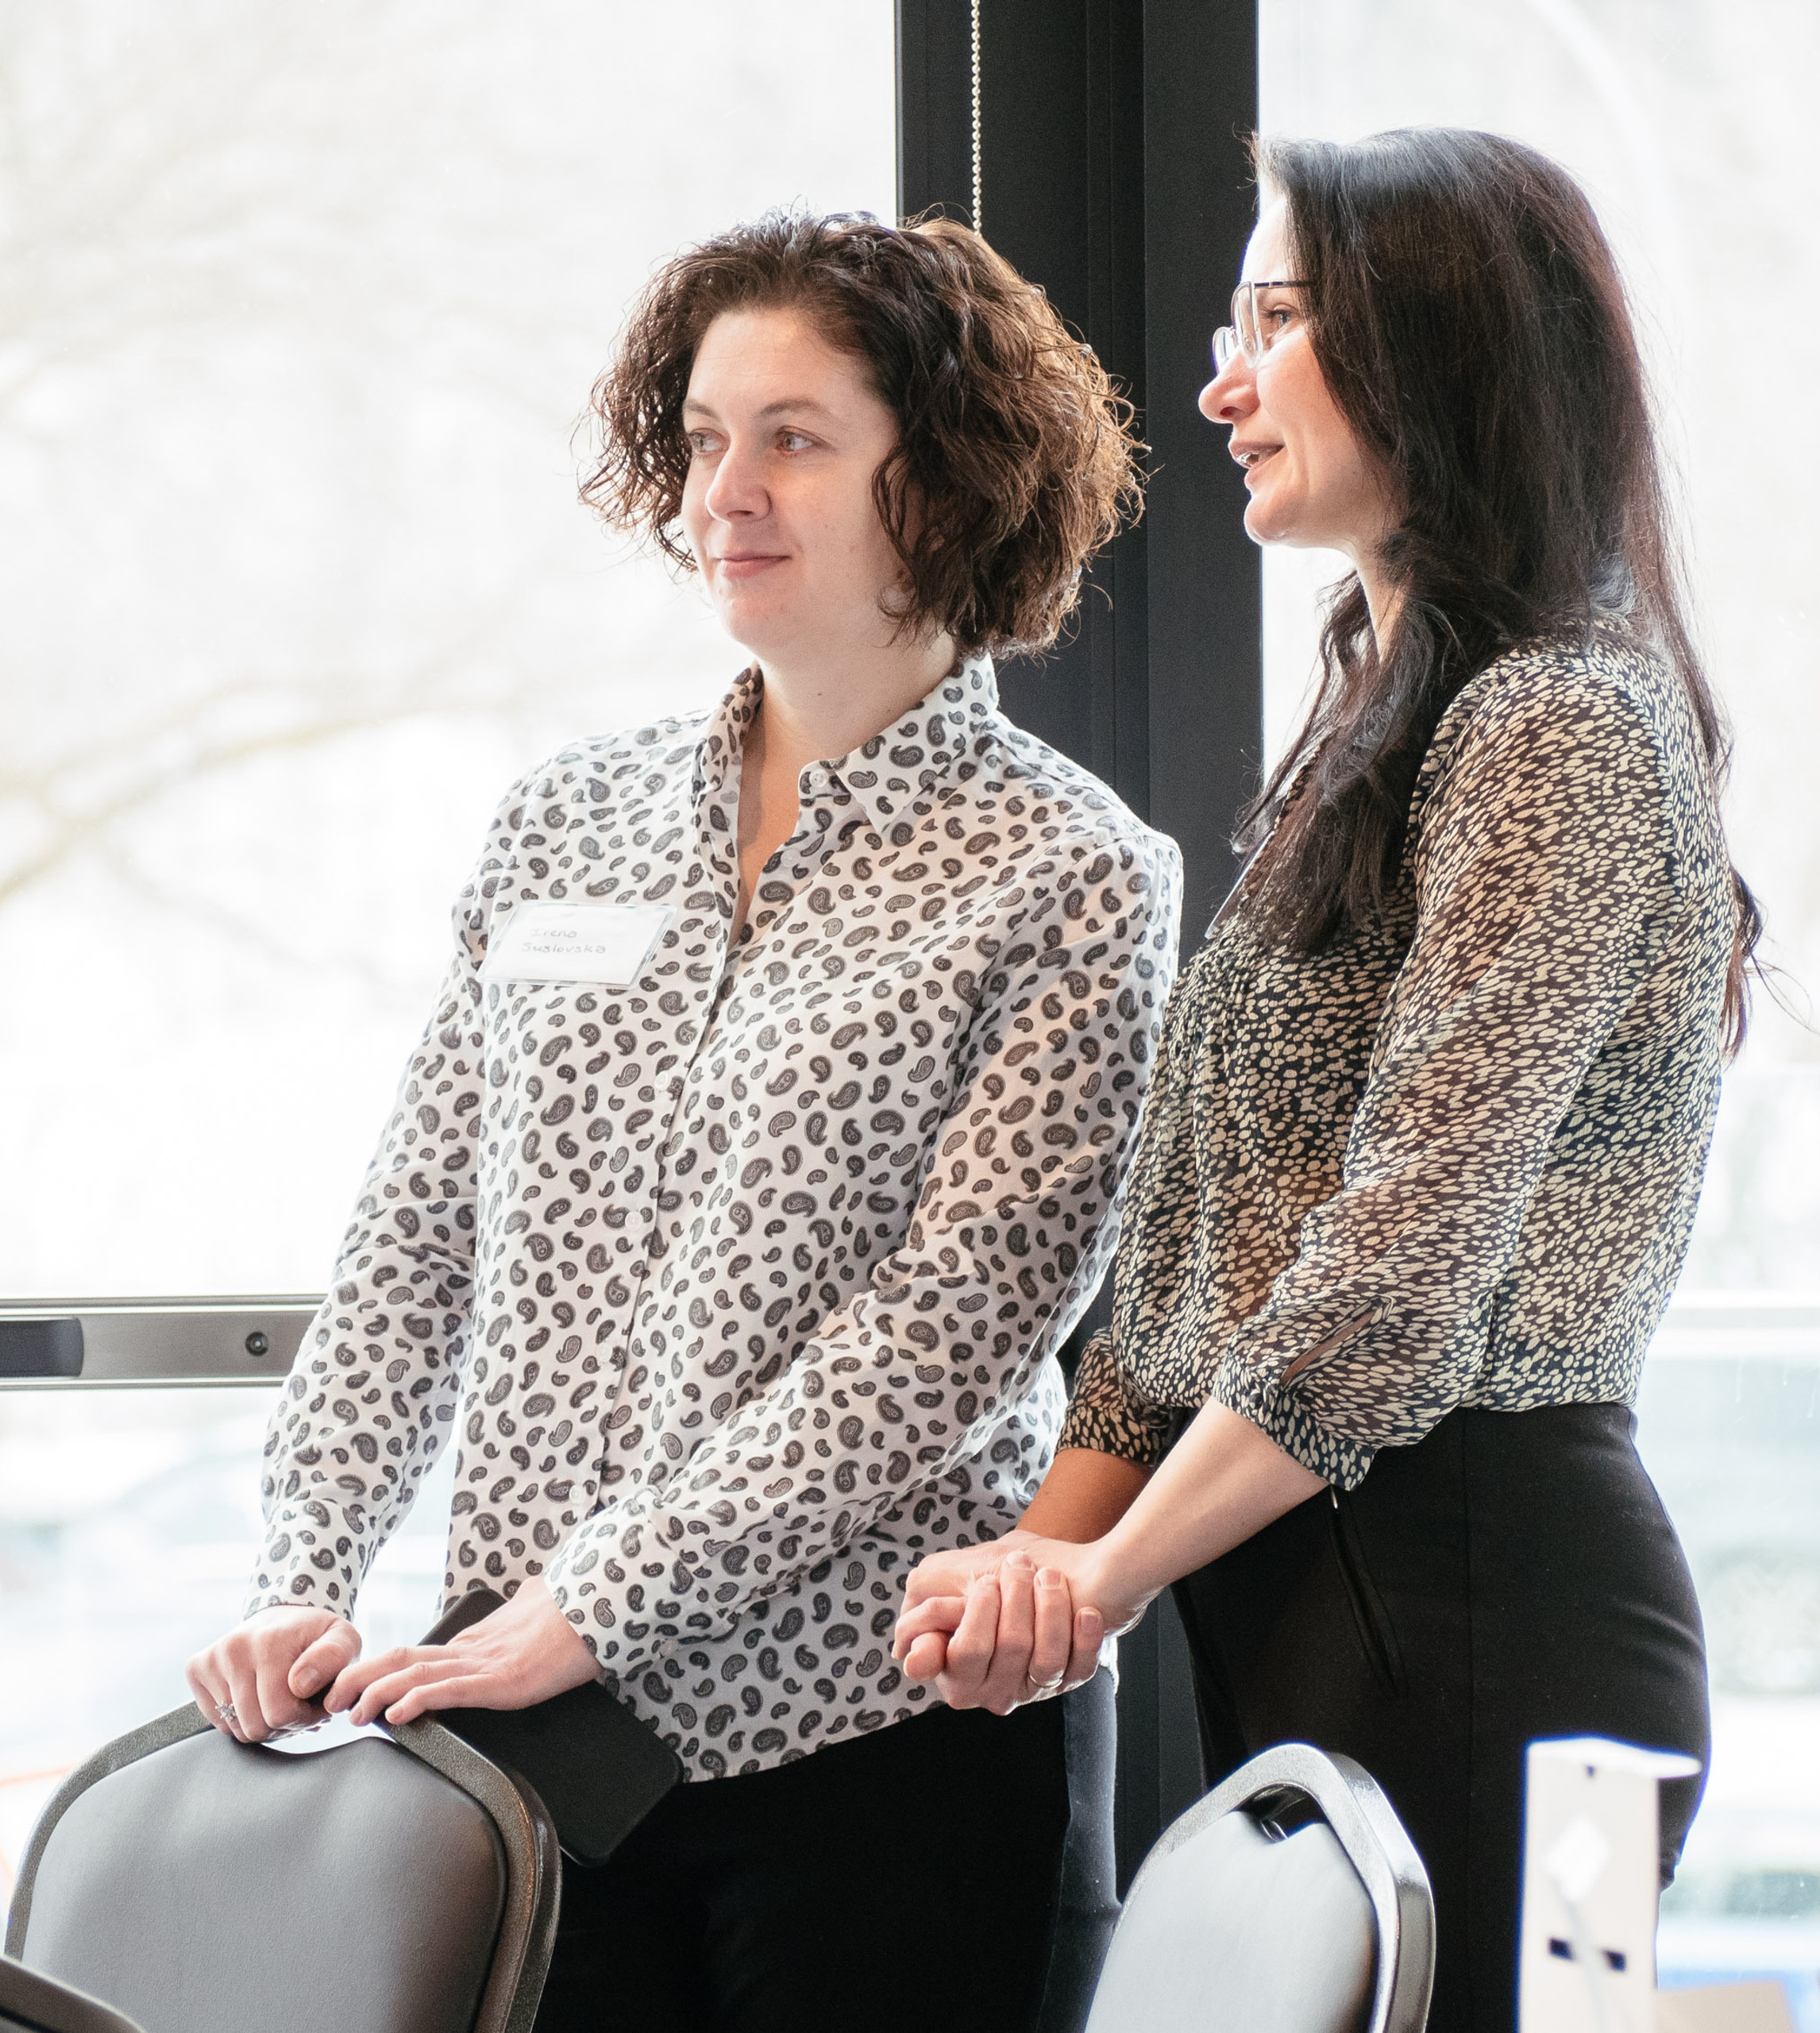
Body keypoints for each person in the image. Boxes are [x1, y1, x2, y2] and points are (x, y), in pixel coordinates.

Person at [185, 209, 1182, 2033]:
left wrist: (596, 1594)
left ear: (941, 481)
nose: (726, 485)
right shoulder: (559, 823)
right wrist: (303, 1571)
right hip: (535, 1750)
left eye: (793, 437)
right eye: (703, 436)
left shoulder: (1072, 874)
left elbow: (944, 1348)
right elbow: (412, 1238)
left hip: (877, 1746)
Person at [894, 129, 1761, 2031]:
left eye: (1275, 322)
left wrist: (1101, 1574)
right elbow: (1198, 1237)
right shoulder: (1384, 703)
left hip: (1511, 1627)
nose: (1215, 382)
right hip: (1316, 1594)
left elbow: (1395, 1277)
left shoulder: (1558, 720)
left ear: (1436, 353)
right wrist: (1046, 1561)